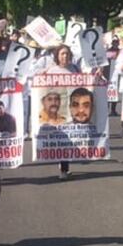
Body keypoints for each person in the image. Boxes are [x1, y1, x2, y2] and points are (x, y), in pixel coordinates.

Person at [46, 45, 80, 179]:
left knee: (70, 138)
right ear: (57, 56)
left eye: (67, 54)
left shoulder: (75, 69)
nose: (65, 56)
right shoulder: (52, 71)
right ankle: (63, 169)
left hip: (72, 109)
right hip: (59, 109)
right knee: (63, 139)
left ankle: (64, 166)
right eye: (62, 54)